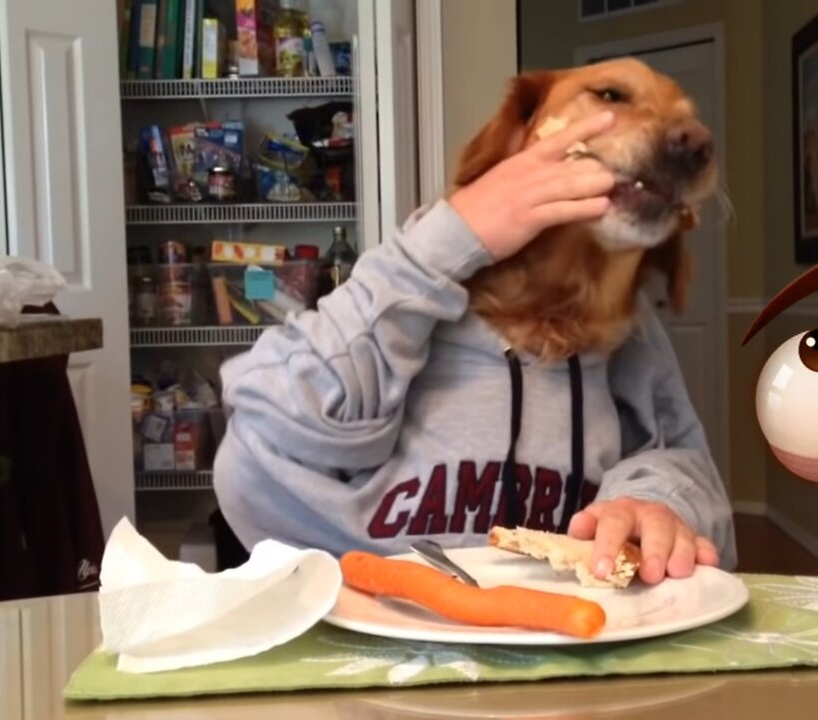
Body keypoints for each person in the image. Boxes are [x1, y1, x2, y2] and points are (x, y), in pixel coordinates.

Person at [214, 112, 737, 585]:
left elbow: (681, 463)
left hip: (577, 649)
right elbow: (255, 452)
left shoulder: (626, 329)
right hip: (376, 649)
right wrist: (440, 245)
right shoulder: (399, 315)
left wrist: (655, 506)